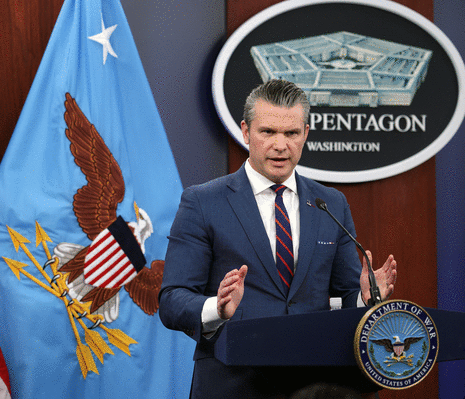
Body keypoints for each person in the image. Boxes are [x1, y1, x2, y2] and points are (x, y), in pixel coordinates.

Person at [158, 79, 397, 399]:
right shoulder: (203, 202)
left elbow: (347, 292)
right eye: (268, 132)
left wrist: (365, 297)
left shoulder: (330, 203)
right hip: (233, 383)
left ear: (306, 134)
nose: (280, 145)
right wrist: (217, 307)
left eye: (291, 133)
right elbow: (172, 300)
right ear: (246, 132)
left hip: (314, 385)